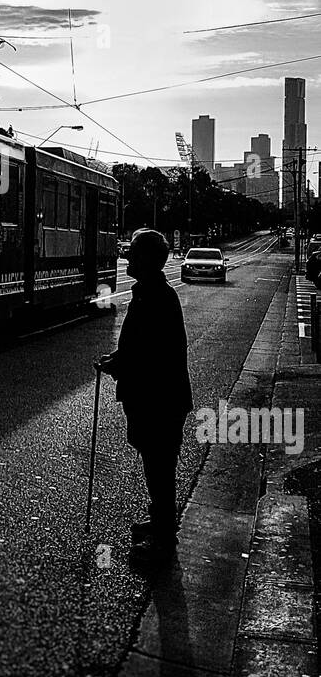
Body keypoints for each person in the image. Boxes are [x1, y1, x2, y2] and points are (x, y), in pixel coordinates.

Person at [97, 227, 193, 565]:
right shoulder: (151, 293)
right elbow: (141, 346)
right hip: (159, 397)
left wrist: (119, 365)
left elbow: (151, 354)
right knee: (157, 464)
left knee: (159, 465)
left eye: (134, 253)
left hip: (159, 399)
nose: (128, 257)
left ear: (148, 260)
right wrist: (118, 360)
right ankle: (160, 524)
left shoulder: (154, 296)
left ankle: (163, 537)